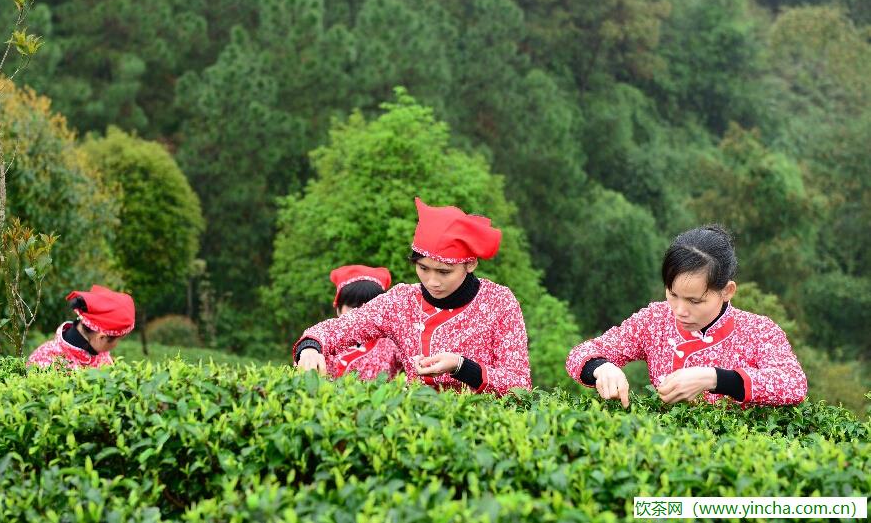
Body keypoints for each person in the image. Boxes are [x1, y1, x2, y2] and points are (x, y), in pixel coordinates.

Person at [294, 197, 532, 395]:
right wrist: (310, 346)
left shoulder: (499, 302)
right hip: (414, 426)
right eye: (423, 269)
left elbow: (519, 385)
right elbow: (341, 328)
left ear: (470, 264)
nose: (432, 282)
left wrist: (461, 366)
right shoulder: (401, 301)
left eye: (444, 272)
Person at [566, 225, 807, 407]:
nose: (680, 310)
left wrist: (715, 378)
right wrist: (603, 368)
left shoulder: (758, 331)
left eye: (695, 301)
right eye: (673, 295)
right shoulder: (655, 320)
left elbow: (793, 384)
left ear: (726, 291)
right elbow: (580, 354)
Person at [325, 264, 404, 380]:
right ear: (338, 309)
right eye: (353, 306)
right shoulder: (324, 342)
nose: (362, 314)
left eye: (370, 307)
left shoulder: (394, 342)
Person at [27, 285, 135, 369]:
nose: (116, 345)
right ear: (101, 337)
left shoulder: (100, 354)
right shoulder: (44, 362)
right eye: (119, 339)